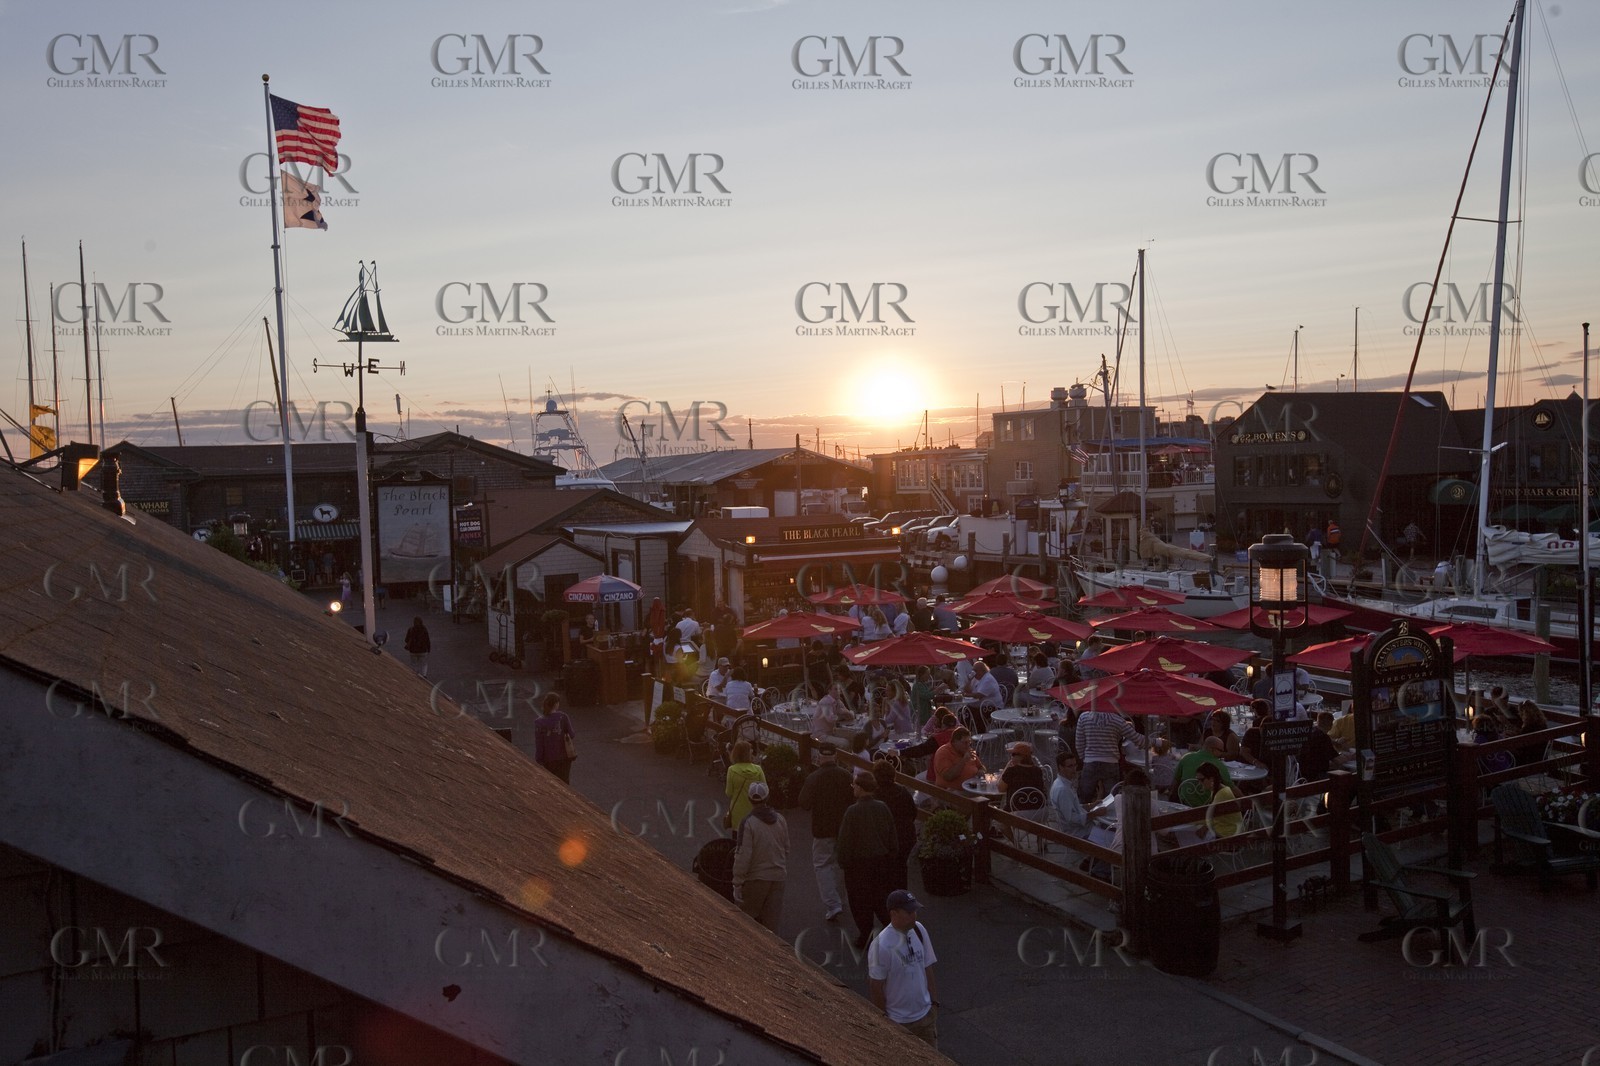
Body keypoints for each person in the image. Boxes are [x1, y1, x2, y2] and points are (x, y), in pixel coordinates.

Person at [867, 889, 939, 1049]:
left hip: (926, 1018)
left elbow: (927, 966)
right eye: (909, 912)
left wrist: (934, 1003)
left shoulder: (919, 930)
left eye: (915, 911)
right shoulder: (881, 946)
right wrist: (885, 1021)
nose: (914, 915)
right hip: (899, 1023)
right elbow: (876, 986)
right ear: (893, 914)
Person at [836, 770, 899, 950]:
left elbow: (845, 841)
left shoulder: (853, 811)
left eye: (854, 785)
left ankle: (866, 934)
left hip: (859, 865)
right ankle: (893, 930)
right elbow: (891, 834)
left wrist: (843, 862)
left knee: (860, 902)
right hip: (880, 861)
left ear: (861, 788)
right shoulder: (882, 807)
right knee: (880, 898)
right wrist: (891, 855)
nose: (852, 788)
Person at [797, 743, 853, 922]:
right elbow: (853, 800)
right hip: (843, 828)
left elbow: (804, 803)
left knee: (822, 865)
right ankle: (841, 900)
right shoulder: (846, 776)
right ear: (835, 756)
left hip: (822, 829)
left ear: (820, 757)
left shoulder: (814, 777)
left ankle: (833, 904)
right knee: (840, 865)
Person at [731, 782, 788, 931]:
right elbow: (786, 848)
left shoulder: (748, 822)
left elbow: (743, 855)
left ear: (749, 799)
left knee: (747, 924)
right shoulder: (780, 819)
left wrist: (737, 882)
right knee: (770, 928)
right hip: (778, 877)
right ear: (767, 797)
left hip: (756, 878)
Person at [1075, 703, 1145, 804]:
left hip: (1090, 761)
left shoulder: (1084, 717)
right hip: (1111, 762)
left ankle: (1085, 813)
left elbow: (1079, 743)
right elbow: (1137, 739)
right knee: (1110, 799)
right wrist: (1158, 742)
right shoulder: (1117, 720)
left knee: (1084, 798)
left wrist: (1084, 758)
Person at [872, 759, 918, 891]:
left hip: (886, 840)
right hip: (905, 837)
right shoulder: (902, 791)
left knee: (887, 872)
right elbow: (913, 812)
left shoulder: (875, 795)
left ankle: (890, 896)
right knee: (901, 868)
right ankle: (902, 895)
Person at [531, 692, 576, 783]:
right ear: (556, 704)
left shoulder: (539, 722)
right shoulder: (563, 717)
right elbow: (572, 734)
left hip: (549, 759)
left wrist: (539, 759)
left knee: (553, 783)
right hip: (564, 757)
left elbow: (539, 743)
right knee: (564, 782)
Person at [725, 740, 767, 831]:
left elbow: (729, 793)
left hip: (738, 810)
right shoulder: (758, 769)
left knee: (738, 835)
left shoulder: (731, 770)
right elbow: (765, 790)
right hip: (755, 811)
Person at [1048, 748, 1091, 837]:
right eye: (1070, 766)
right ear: (1061, 767)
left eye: (1075, 765)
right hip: (1077, 834)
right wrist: (1094, 814)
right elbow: (1071, 819)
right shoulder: (1063, 789)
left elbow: (1072, 807)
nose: (1074, 769)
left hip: (1079, 830)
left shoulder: (1062, 783)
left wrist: (1091, 805)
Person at [1194, 761, 1241, 839]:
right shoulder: (1220, 789)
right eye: (1197, 780)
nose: (1199, 783)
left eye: (1201, 780)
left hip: (1227, 834)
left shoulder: (1221, 794)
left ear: (1211, 779)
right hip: (1229, 830)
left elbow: (1211, 817)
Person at [999, 741, 1045, 811]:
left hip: (1016, 812)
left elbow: (1000, 789)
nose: (1011, 757)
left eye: (1013, 754)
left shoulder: (1011, 771)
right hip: (1039, 811)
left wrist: (1007, 766)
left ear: (1021, 757)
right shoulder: (1038, 771)